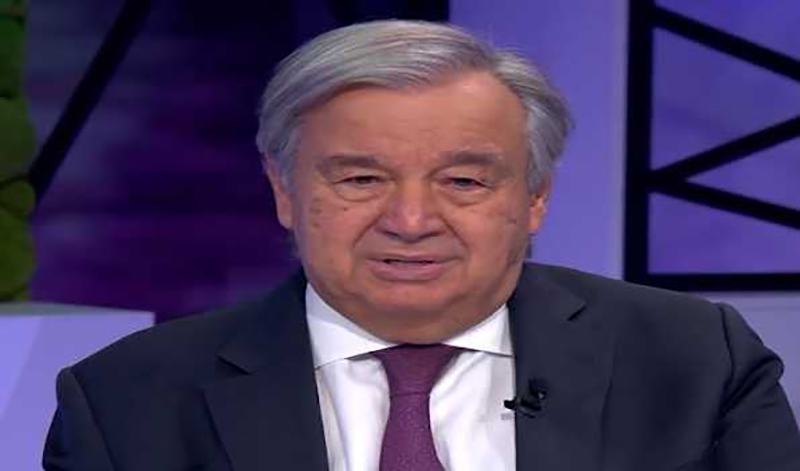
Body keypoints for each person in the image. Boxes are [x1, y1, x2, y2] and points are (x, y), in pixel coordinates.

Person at [43, 20, 800, 471]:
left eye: (464, 181)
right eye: (361, 179)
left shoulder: (694, 359)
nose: (410, 220)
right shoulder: (128, 400)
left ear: (535, 196)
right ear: (284, 190)